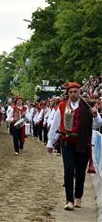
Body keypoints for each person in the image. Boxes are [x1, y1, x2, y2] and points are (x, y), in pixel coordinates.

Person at [47, 82, 101, 210]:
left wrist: (95, 114)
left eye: (75, 92)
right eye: (70, 92)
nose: (73, 94)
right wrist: (50, 142)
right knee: (69, 170)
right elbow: (55, 124)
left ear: (79, 92)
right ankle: (69, 200)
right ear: (68, 93)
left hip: (83, 143)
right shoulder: (62, 106)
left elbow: (97, 124)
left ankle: (78, 197)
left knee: (81, 172)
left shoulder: (88, 106)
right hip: (67, 143)